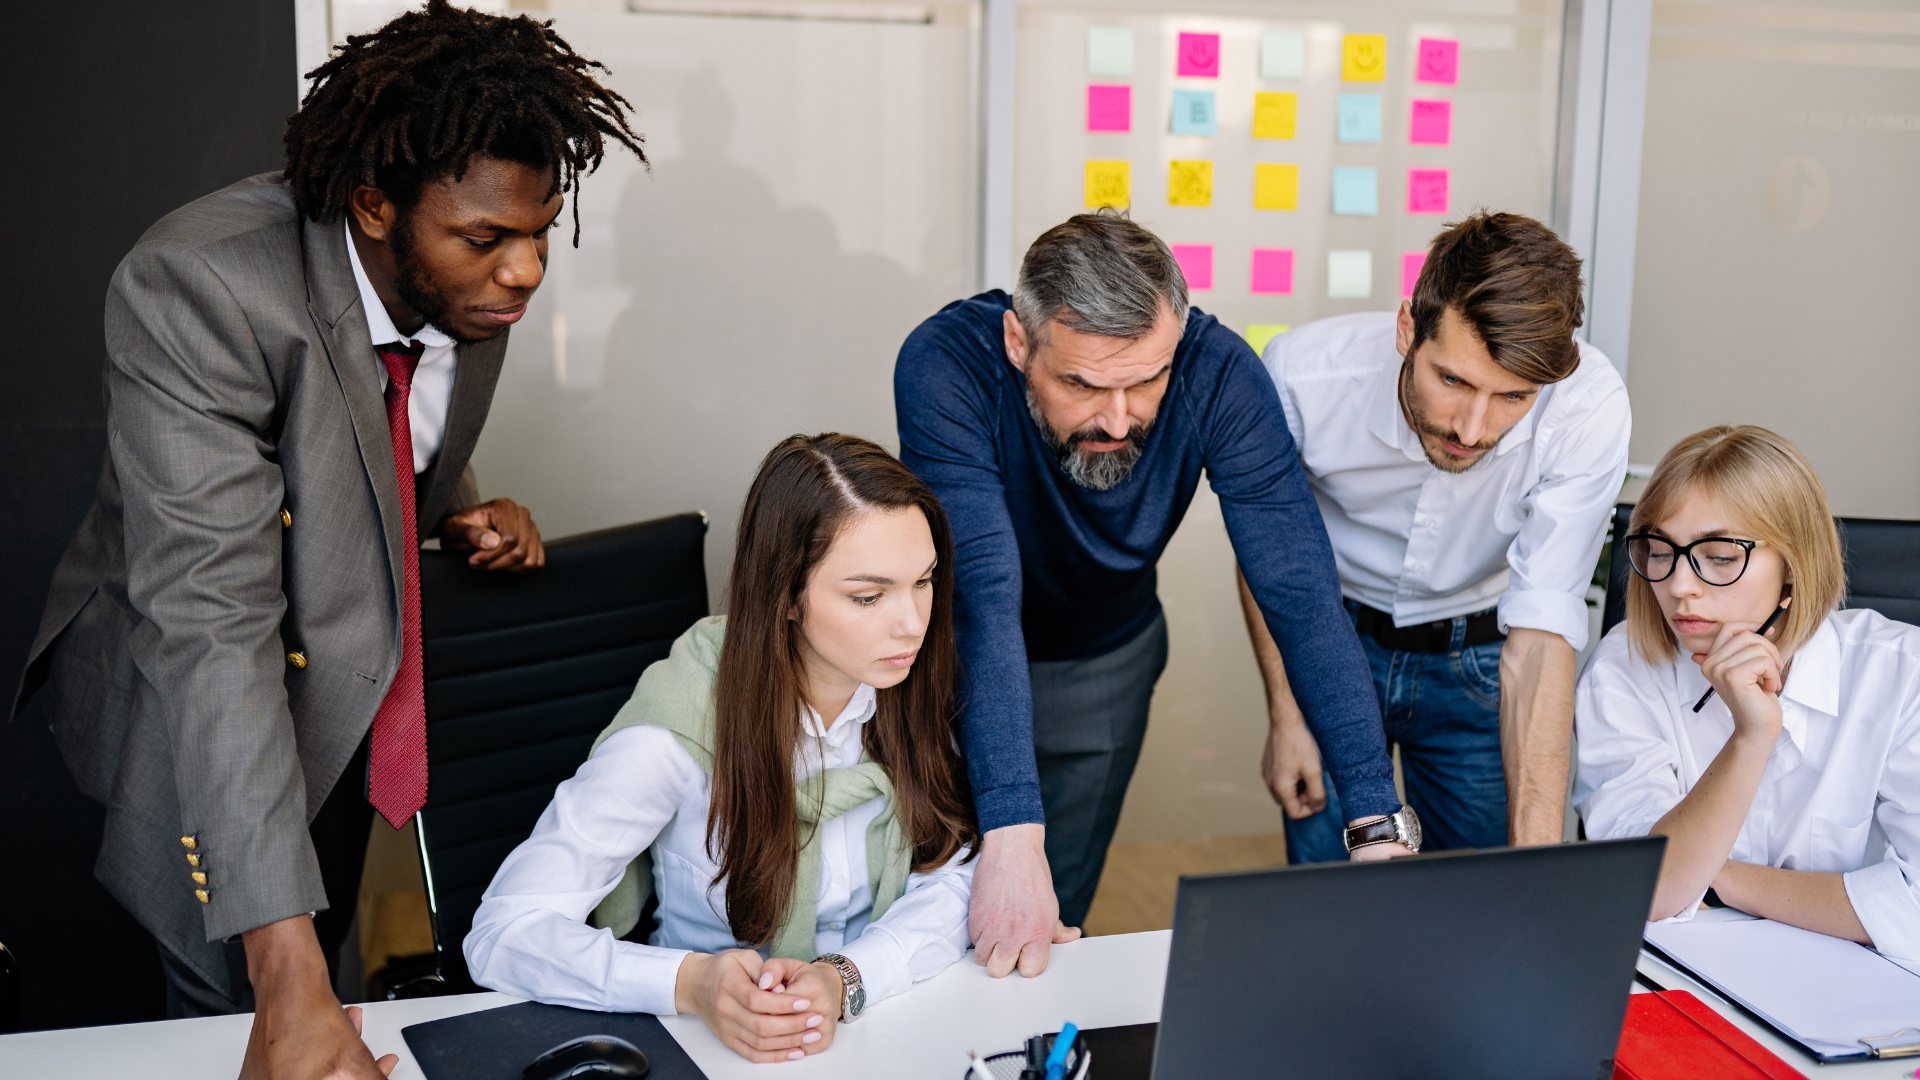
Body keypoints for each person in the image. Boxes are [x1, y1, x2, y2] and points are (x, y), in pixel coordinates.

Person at [7, 3, 645, 1076]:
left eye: (541, 232)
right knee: (241, 1009)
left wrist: (451, 502)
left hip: (351, 694)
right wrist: (289, 980)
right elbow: (213, 625)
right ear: (373, 205)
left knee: (328, 970)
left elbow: (377, 413)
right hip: (199, 702)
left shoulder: (466, 279)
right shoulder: (202, 288)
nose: (526, 270)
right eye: (489, 239)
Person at [895, 212, 1414, 978]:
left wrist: (1375, 819)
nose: (1118, 417)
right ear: (1018, 343)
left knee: (1041, 920)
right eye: (1081, 384)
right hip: (935, 663)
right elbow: (983, 589)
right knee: (911, 906)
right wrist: (1009, 827)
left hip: (1104, 663)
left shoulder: (1219, 373)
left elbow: (1298, 587)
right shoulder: (947, 363)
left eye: (1146, 381)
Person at [465, 434, 978, 1061]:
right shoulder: (678, 726)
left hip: (885, 1031)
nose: (912, 623)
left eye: (923, 581)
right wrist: (690, 983)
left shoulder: (907, 680)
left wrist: (846, 976)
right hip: (702, 1048)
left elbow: (960, 874)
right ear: (786, 595)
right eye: (868, 597)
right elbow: (501, 934)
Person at [1246, 211, 1629, 861]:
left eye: (1512, 397)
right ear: (1407, 329)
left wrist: (1535, 872)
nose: (1473, 428)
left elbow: (1542, 636)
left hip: (1481, 660)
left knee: (1478, 900)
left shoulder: (1586, 408)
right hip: (1326, 641)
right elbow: (1273, 562)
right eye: (1452, 380)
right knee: (1328, 909)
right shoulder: (1300, 378)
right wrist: (1286, 713)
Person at [1573, 426, 1920, 970]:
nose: (1680, 586)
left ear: (1792, 568)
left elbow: (1915, 913)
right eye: (1660, 551)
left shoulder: (1902, 674)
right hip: (1679, 982)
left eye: (1717, 556)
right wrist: (1751, 738)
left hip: (1852, 989)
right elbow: (1645, 892)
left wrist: (1723, 877)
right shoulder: (1625, 667)